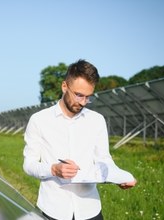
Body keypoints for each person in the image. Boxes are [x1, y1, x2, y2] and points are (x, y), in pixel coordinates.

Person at [23, 59, 136, 220]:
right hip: (52, 209)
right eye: (78, 95)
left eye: (88, 97)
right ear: (64, 86)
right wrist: (54, 169)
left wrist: (118, 176)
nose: (83, 102)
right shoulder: (39, 120)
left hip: (90, 210)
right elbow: (28, 165)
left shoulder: (97, 120)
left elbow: (103, 158)